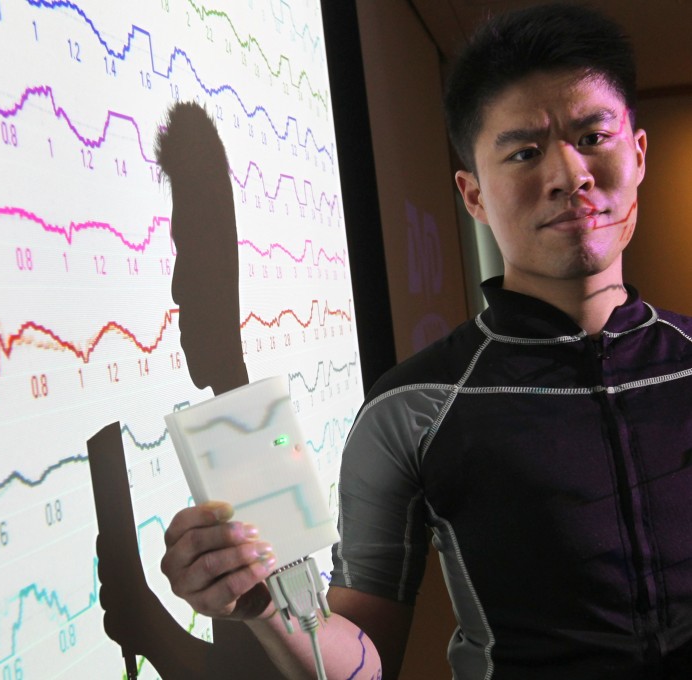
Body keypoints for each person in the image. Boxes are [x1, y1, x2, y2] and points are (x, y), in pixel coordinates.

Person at [158, 4, 692, 679]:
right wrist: (270, 611)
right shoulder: (413, 407)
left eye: (592, 136)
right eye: (525, 152)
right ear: (471, 193)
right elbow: (364, 663)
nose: (568, 174)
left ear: (638, 154)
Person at [87, 101, 380, 678]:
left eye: (189, 248)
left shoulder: (243, 443)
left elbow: (281, 672)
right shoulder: (238, 427)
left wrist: (146, 622)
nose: (176, 284)